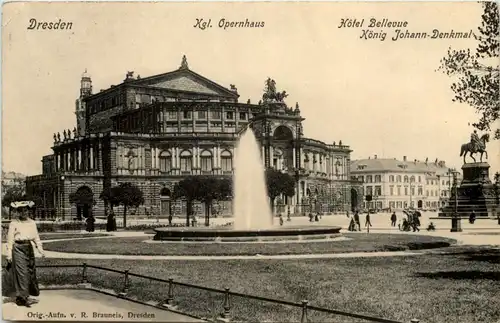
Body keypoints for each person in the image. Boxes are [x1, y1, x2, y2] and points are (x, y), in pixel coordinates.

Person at [5, 202, 45, 307]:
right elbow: (10, 240)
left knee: (30, 272)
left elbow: (36, 237)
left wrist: (40, 249)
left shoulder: (32, 222)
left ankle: (24, 296)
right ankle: (21, 298)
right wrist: (9, 254)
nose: (24, 212)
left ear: (28, 211)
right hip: (18, 248)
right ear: (18, 212)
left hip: (28, 248)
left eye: (25, 210)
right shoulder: (14, 223)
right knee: (21, 273)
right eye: (21, 210)